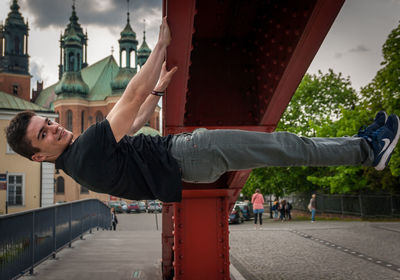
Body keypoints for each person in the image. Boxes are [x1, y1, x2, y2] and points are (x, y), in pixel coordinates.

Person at [5, 18, 400, 203]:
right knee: (285, 145)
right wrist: (159, 48)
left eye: (49, 122)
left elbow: (136, 121)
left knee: (283, 147)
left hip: (188, 162)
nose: (55, 128)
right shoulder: (85, 150)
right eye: (44, 133)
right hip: (191, 153)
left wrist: (157, 92)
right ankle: (369, 150)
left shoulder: (78, 162)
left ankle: (363, 146)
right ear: (39, 155)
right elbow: (129, 98)